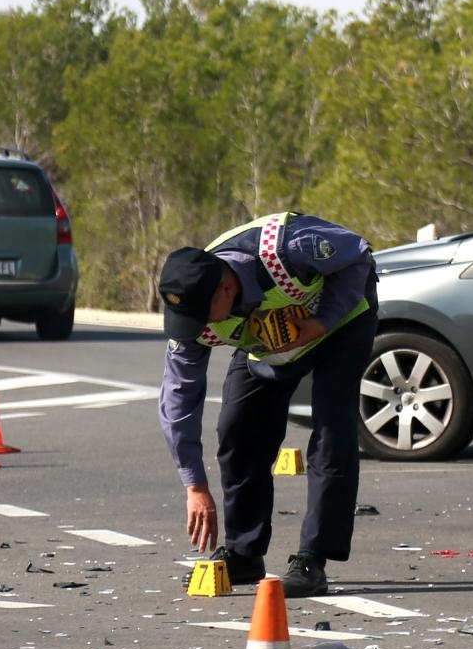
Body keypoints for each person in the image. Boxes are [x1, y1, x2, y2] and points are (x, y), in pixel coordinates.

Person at [158, 212, 378, 597]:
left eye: (199, 316)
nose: (196, 328)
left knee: (330, 430)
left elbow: (357, 254)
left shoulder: (288, 246)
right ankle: (244, 553)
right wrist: (194, 485)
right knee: (238, 427)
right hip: (268, 337)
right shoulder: (194, 315)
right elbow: (178, 399)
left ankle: (313, 558)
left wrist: (320, 323)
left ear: (225, 288)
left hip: (341, 323)